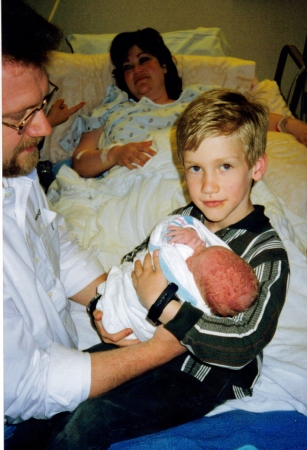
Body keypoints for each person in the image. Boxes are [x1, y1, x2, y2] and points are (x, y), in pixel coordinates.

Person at [47, 87, 290, 449]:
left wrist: (165, 306)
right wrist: (102, 308)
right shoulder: (183, 220)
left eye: (225, 166)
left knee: (91, 421)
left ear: (256, 167)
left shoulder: (265, 253)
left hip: (202, 372)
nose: (208, 186)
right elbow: (134, 264)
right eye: (195, 168)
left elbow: (244, 341)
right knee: (58, 395)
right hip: (140, 340)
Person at [2, 1, 185, 448]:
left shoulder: (13, 165)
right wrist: (159, 349)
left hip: (59, 360)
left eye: (42, 102)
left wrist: (113, 300)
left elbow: (51, 240)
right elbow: (28, 385)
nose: (45, 127)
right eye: (23, 116)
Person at [66, 28, 307, 178]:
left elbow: (250, 116)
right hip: (131, 185)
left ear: (164, 66)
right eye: (128, 66)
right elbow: (79, 162)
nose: (137, 70)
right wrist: (115, 154)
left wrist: (293, 126)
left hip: (199, 180)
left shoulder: (198, 99)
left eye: (144, 60)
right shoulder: (111, 110)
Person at [97, 214, 259, 341]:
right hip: (118, 306)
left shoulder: (190, 289)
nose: (199, 246)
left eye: (197, 255)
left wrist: (157, 302)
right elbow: (134, 258)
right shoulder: (209, 271)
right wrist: (192, 231)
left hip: (137, 324)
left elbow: (160, 244)